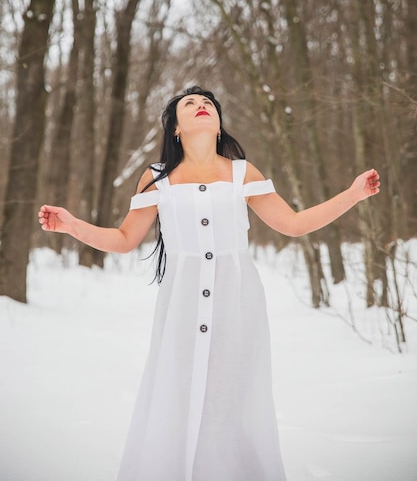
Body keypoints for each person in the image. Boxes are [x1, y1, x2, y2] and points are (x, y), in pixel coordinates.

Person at [38, 86, 380, 481]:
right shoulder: (156, 179)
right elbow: (124, 239)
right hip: (180, 309)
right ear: (176, 130)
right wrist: (71, 225)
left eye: (208, 105)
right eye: (190, 104)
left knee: (232, 399)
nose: (201, 107)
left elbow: (295, 224)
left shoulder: (242, 173)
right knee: (177, 394)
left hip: (238, 307)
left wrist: (353, 195)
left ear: (218, 125)